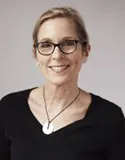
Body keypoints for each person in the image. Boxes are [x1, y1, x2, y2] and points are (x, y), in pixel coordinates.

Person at [0, 6, 125, 160]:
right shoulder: (9, 108)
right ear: (35, 54)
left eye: (68, 43)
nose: (57, 55)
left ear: (85, 51)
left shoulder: (110, 118)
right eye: (46, 45)